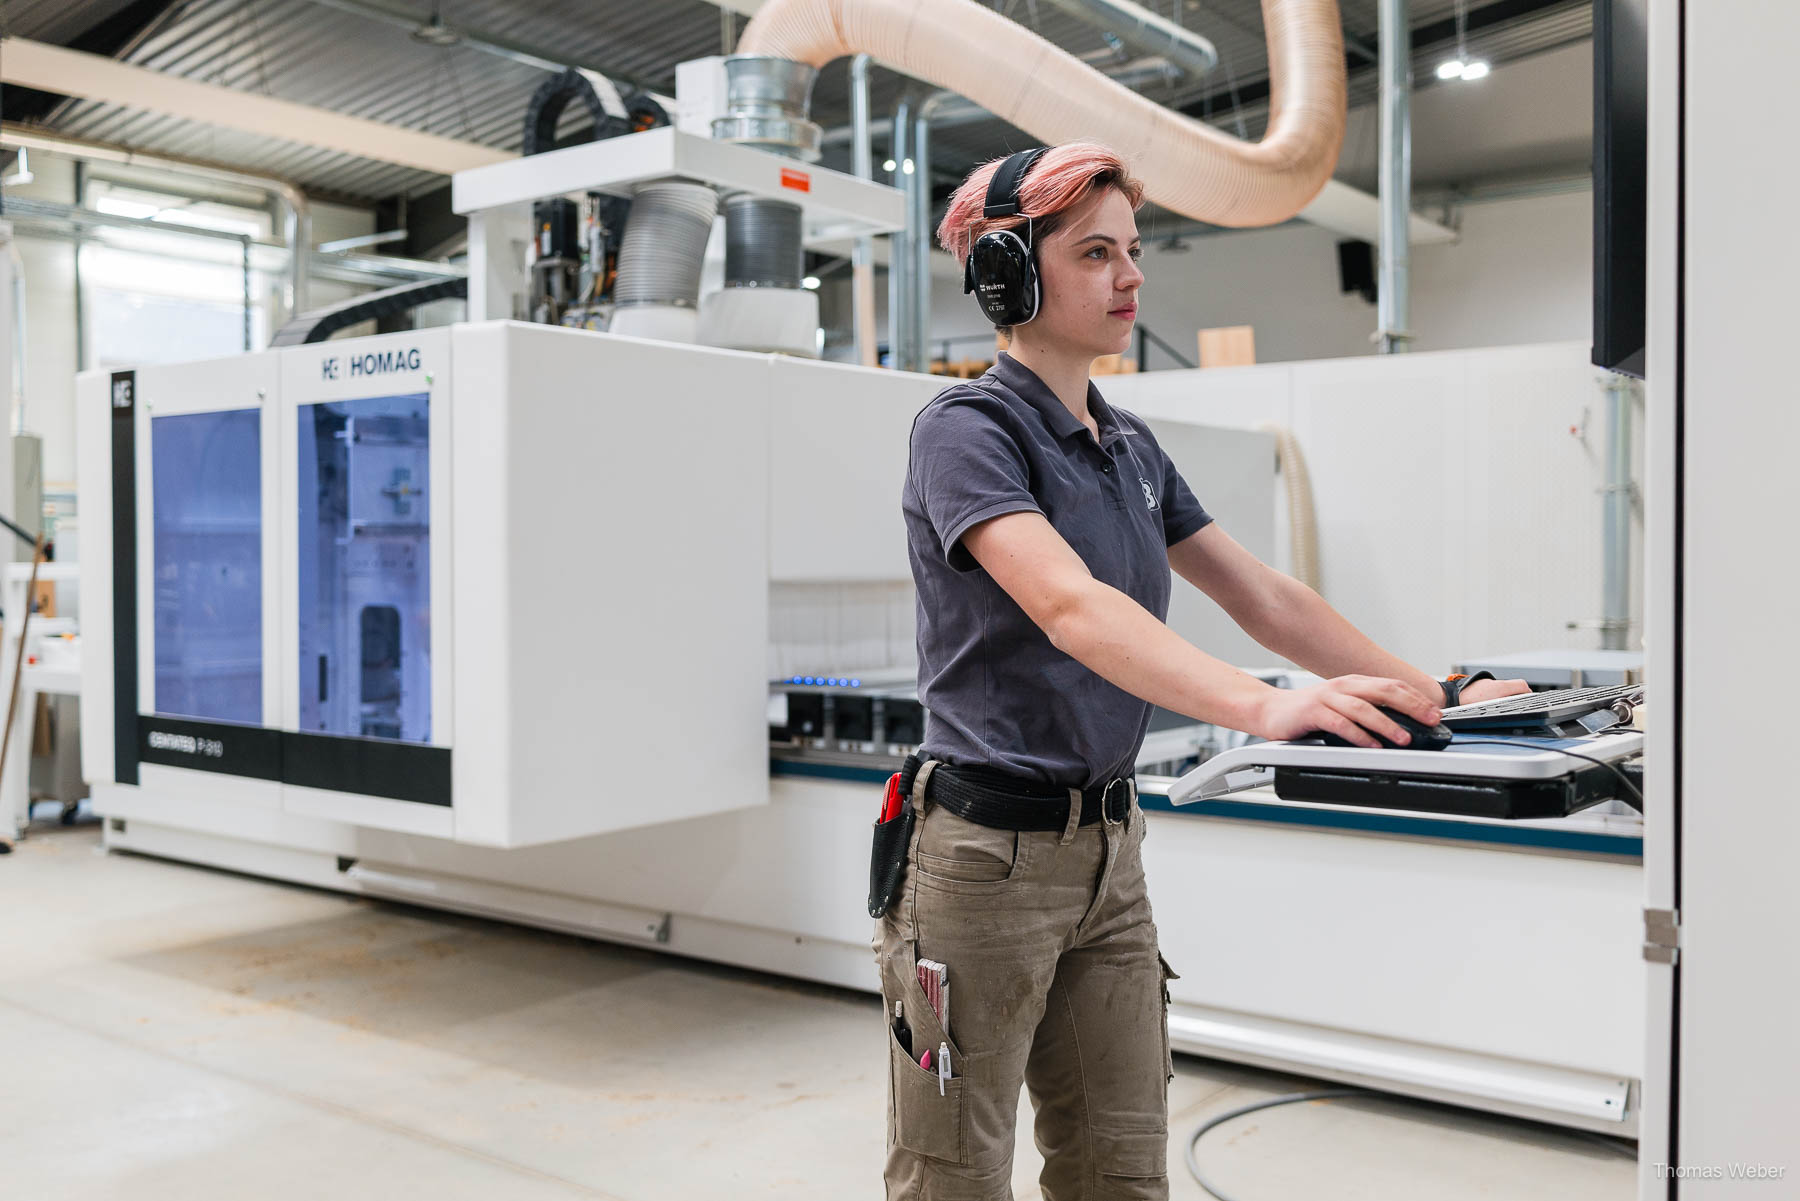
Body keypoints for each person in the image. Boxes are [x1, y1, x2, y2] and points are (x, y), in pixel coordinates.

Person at [878, 141, 1528, 1200]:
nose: (1133, 276)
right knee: (953, 1177)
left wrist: (1432, 690)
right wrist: (1261, 704)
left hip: (1109, 859)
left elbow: (1261, 594)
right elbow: (1069, 604)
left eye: (1134, 250)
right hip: (980, 865)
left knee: (1119, 1171)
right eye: (1097, 253)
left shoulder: (1128, 444)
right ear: (1009, 274)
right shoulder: (967, 430)